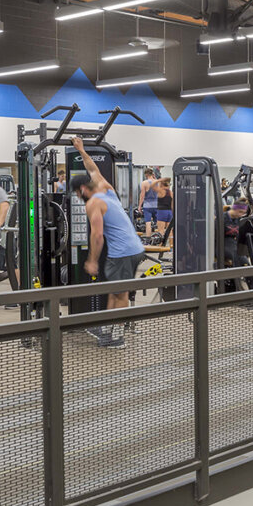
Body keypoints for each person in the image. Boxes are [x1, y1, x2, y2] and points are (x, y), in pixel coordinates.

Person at [70, 138, 146, 348]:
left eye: (77, 194)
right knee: (114, 292)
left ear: (83, 190)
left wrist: (92, 260)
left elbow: (97, 235)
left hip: (123, 251)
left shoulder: (93, 203)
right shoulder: (105, 187)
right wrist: (81, 150)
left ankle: (118, 337)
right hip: (131, 248)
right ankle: (108, 330)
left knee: (119, 294)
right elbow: (92, 168)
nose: (78, 197)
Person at [222, 198, 253, 290]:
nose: (242, 214)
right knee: (237, 256)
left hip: (232, 244)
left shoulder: (237, 219)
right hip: (222, 244)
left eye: (243, 212)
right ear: (234, 209)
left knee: (245, 259)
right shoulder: (222, 218)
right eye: (240, 212)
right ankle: (238, 288)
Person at [138, 168, 158, 236]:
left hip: (147, 206)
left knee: (148, 223)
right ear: (152, 174)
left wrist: (139, 206)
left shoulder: (144, 183)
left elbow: (142, 196)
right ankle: (159, 240)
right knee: (158, 223)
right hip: (156, 205)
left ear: (146, 175)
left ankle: (148, 240)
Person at [153, 177, 173, 241]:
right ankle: (171, 246)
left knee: (161, 230)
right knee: (169, 230)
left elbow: (152, 185)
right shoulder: (171, 192)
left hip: (162, 211)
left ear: (161, 184)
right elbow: (172, 205)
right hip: (169, 212)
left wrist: (159, 180)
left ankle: (161, 245)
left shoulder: (161, 191)